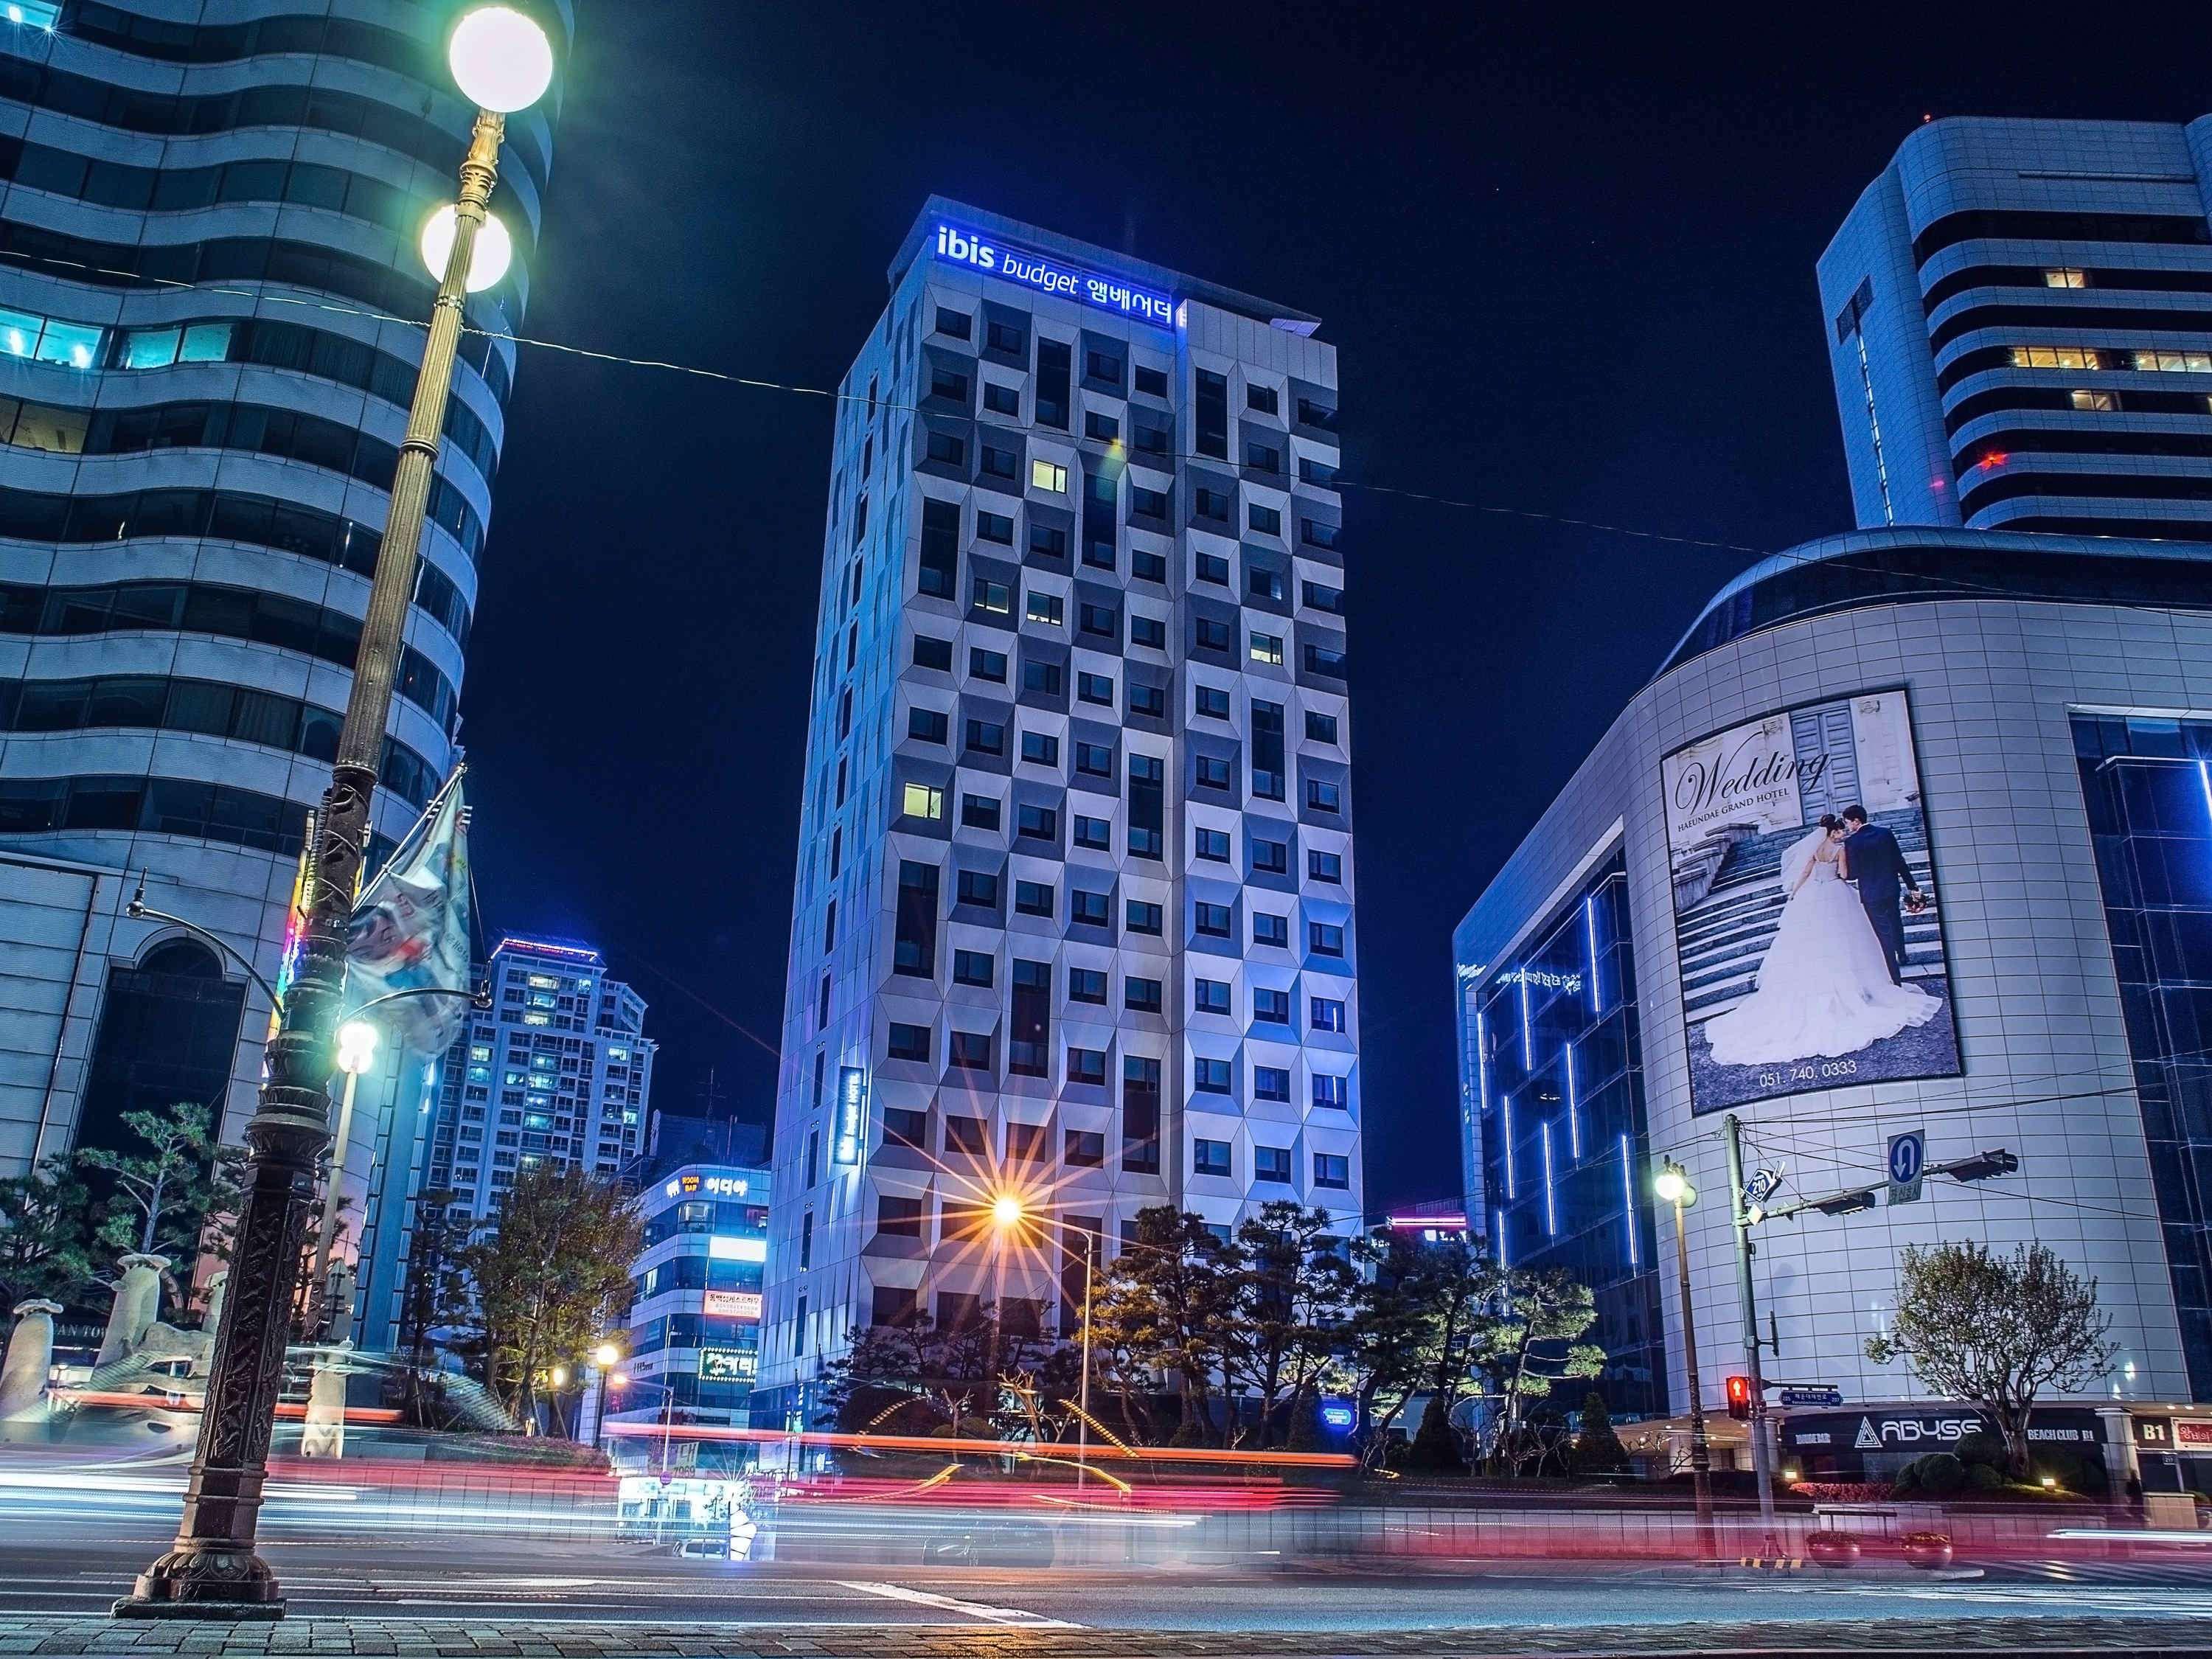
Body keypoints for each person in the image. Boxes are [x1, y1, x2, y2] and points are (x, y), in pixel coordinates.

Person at [1703, 815, 1939, 1068]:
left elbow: (1804, 872)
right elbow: (1845, 875)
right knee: (1847, 939)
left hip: (1812, 895)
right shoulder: (1839, 849)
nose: (1842, 834)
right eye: (1839, 831)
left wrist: (1794, 893)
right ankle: (1859, 985)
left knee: (1811, 943)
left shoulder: (1814, 848)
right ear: (1833, 831)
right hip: (1836, 893)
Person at [1839, 804, 1926, 986]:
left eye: (1848, 822)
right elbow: (1899, 862)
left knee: (1883, 933)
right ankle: (1902, 955)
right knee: (1896, 920)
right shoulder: (1885, 834)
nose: (1847, 826)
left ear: (1856, 821)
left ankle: (1895, 978)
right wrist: (1912, 886)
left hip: (1871, 894)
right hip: (1891, 888)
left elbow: (1853, 874)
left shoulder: (1852, 842)